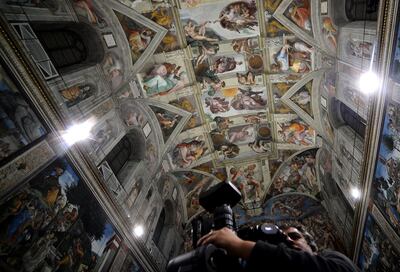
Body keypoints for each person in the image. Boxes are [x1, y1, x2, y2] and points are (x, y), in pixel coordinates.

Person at [198, 225, 359, 272]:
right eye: (281, 241)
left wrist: (238, 245)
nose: (288, 240)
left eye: (295, 237)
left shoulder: (333, 258)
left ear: (309, 243)